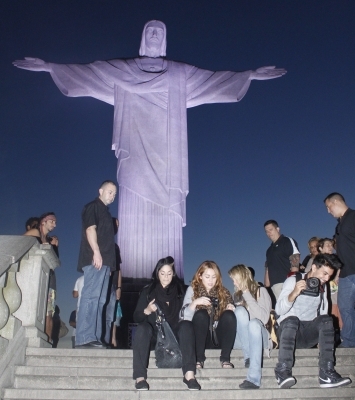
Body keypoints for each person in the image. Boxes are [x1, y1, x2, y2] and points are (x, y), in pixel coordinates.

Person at [13, 20, 286, 281]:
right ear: (144, 38)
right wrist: (51, 67)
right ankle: (134, 272)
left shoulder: (178, 72)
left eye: (160, 32)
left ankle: (168, 274)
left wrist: (248, 75)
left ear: (164, 40)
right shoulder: (125, 69)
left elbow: (213, 81)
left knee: (166, 211)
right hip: (134, 151)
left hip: (168, 156)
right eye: (150, 31)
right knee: (132, 201)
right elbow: (90, 73)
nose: (155, 35)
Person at [274, 253, 351, 389]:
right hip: (289, 332)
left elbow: (323, 315)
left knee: (327, 319)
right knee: (291, 320)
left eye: (330, 276)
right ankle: (282, 370)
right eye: (324, 274)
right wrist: (294, 293)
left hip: (307, 335)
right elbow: (279, 311)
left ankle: (326, 373)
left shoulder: (323, 287)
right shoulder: (293, 280)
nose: (327, 279)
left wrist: (323, 339)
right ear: (314, 267)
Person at [132, 257, 200, 391]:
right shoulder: (148, 291)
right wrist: (146, 310)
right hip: (156, 336)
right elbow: (137, 317)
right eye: (162, 273)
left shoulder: (181, 290)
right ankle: (140, 377)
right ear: (157, 273)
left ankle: (189, 375)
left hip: (176, 335)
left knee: (186, 325)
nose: (165, 277)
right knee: (142, 328)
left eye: (169, 273)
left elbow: (189, 312)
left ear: (173, 274)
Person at [75, 180, 117, 348]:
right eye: (110, 192)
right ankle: (84, 337)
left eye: (114, 194)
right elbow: (90, 229)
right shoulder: (93, 206)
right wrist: (96, 252)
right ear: (100, 190)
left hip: (105, 263)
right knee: (91, 297)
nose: (112, 196)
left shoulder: (106, 212)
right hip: (95, 259)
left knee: (100, 301)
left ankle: (95, 337)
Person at [181, 261, 236, 369]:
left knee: (229, 315)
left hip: (217, 336)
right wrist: (195, 303)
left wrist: (231, 308)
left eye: (214, 277)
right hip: (200, 337)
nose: (211, 280)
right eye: (207, 276)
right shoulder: (192, 290)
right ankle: (198, 359)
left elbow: (229, 320)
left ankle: (225, 359)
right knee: (201, 314)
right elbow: (183, 317)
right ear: (200, 276)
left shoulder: (224, 292)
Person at [228, 264, 272, 389]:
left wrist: (247, 294)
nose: (235, 283)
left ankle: (253, 379)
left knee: (253, 323)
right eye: (233, 280)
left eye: (236, 279)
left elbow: (263, 318)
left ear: (244, 277)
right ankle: (248, 357)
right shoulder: (236, 296)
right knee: (240, 311)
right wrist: (232, 311)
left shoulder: (261, 291)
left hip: (259, 337)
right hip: (243, 341)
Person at [324, 192, 355, 348]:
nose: (328, 211)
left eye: (329, 207)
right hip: (345, 274)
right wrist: (337, 273)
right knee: (345, 307)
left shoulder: (353, 217)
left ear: (336, 202)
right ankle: (350, 342)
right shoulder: (339, 225)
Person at [25, 212, 59, 342]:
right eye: (52, 221)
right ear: (43, 221)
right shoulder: (35, 232)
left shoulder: (49, 239)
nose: (55, 225)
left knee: (49, 312)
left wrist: (55, 247)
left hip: (49, 278)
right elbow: (21, 241)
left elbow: (55, 263)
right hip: (36, 277)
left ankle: (48, 341)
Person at [264, 220, 300, 300]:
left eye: (271, 230)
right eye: (266, 231)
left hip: (286, 283)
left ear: (277, 229)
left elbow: (295, 258)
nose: (269, 233)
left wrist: (292, 280)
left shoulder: (287, 241)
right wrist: (267, 284)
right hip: (274, 287)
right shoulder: (269, 250)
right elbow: (268, 267)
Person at [103, 217, 122, 347]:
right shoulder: (102, 242)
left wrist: (119, 287)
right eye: (115, 224)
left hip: (113, 285)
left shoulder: (115, 246)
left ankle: (107, 341)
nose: (117, 226)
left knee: (110, 316)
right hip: (102, 282)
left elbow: (119, 269)